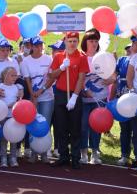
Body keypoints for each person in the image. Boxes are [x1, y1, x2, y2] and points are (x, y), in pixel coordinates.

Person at [49, 32, 89, 170]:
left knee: (75, 128)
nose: (72, 43)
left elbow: (81, 78)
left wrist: (75, 97)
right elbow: (51, 75)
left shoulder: (82, 57)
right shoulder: (59, 56)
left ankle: (76, 158)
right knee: (61, 128)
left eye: (74, 41)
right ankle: (63, 156)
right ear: (65, 41)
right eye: (69, 41)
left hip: (74, 95)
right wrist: (61, 68)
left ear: (77, 42)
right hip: (60, 94)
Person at [79, 28, 114, 165]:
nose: (93, 43)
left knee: (97, 126)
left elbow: (113, 76)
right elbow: (79, 78)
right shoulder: (82, 58)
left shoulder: (103, 56)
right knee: (83, 125)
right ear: (85, 42)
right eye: (91, 41)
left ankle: (95, 152)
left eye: (96, 41)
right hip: (85, 99)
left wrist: (110, 80)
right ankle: (83, 153)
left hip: (101, 98)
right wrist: (84, 89)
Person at [21, 36, 54, 163]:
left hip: (47, 97)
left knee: (45, 125)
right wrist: (32, 95)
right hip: (33, 98)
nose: (40, 47)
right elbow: (27, 80)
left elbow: (51, 78)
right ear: (32, 47)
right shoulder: (26, 61)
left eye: (41, 45)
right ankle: (34, 152)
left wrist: (42, 90)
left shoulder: (48, 59)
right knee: (34, 124)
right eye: (37, 45)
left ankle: (44, 153)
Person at [0, 67, 23, 167]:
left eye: (16, 75)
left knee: (13, 137)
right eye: (12, 75)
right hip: (3, 116)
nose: (15, 77)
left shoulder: (17, 87)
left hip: (13, 117)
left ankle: (13, 157)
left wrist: (16, 102)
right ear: (5, 76)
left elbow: (19, 101)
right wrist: (7, 106)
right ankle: (3, 158)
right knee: (3, 138)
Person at [110, 43, 133, 166]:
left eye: (130, 47)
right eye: (127, 48)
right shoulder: (122, 60)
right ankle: (124, 155)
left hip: (135, 100)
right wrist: (111, 97)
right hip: (121, 101)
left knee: (136, 129)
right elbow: (114, 79)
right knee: (124, 129)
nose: (128, 50)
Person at [48, 39, 65, 158]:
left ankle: (57, 148)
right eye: (53, 50)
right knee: (47, 123)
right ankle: (47, 147)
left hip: (60, 98)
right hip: (48, 98)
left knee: (59, 124)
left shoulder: (66, 64)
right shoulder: (47, 61)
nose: (54, 52)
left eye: (57, 51)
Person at [126, 32, 137, 170]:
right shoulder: (134, 58)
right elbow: (129, 77)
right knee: (136, 130)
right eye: (135, 42)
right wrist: (132, 92)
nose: (135, 45)